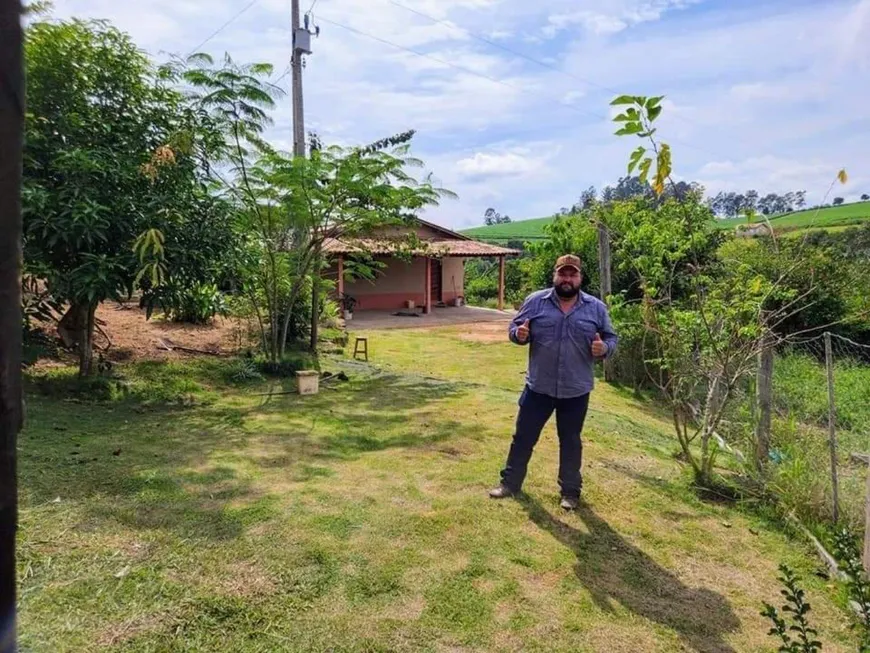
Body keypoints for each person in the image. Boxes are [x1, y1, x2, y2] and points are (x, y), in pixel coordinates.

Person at [489, 254, 618, 511]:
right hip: (539, 387)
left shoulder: (596, 308)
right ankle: (510, 484)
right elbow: (514, 328)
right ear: (555, 275)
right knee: (523, 437)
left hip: (576, 389)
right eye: (563, 274)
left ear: (580, 277)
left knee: (570, 441)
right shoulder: (535, 302)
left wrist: (604, 348)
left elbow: (612, 338)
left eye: (572, 274)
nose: (567, 279)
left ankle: (570, 492)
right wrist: (519, 334)